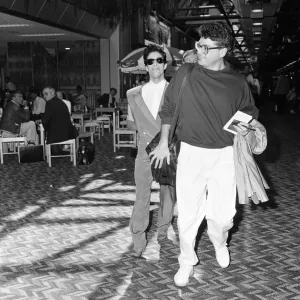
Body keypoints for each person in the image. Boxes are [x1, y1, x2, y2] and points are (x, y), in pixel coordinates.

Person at [150, 22, 258, 287]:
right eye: (199, 44)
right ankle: (186, 261)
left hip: (224, 156)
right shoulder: (186, 72)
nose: (198, 50)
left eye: (206, 47)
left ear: (223, 51)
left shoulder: (236, 82)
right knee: (187, 214)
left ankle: (219, 240)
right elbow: (168, 108)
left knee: (223, 217)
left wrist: (237, 130)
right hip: (191, 153)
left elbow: (249, 111)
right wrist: (164, 142)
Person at [126, 44, 176, 258]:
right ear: (145, 66)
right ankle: (138, 238)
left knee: (168, 194)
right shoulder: (132, 94)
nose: (154, 64)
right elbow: (131, 122)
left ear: (165, 64)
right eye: (150, 61)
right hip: (144, 151)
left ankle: (163, 230)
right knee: (141, 196)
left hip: (168, 150)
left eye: (158, 60)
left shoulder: (175, 91)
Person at [42, 87, 78, 153]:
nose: (44, 96)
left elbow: (45, 120)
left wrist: (46, 129)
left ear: (52, 93)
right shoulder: (61, 102)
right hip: (68, 133)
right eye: (43, 94)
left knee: (49, 132)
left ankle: (52, 153)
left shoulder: (50, 103)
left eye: (46, 94)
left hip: (58, 135)